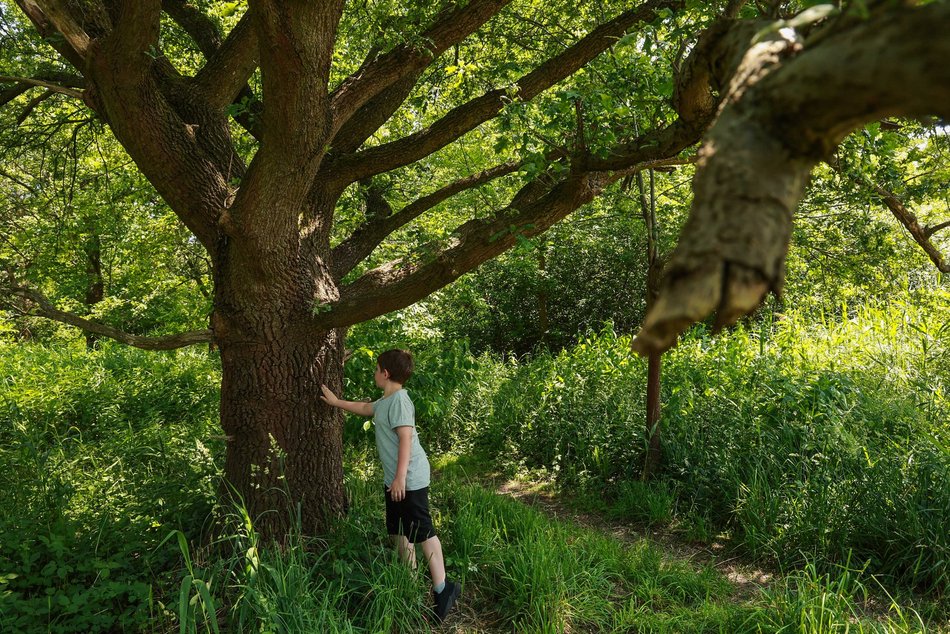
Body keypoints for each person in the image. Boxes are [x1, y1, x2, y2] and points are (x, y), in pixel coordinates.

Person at [320, 349, 461, 622]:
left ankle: (444, 589)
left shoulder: (399, 401)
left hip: (409, 479)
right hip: (396, 480)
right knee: (397, 530)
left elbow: (406, 440)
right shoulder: (385, 401)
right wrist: (337, 402)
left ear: (385, 374)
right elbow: (365, 408)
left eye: (376, 369)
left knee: (422, 531)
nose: (374, 373)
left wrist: (399, 478)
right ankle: (408, 580)